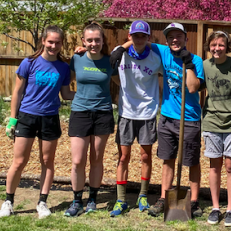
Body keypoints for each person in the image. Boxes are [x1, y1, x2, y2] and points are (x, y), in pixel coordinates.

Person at [0, 25, 75, 218]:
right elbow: (17, 92)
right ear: (43, 41)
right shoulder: (29, 63)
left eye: (57, 42)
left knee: (47, 161)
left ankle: (42, 202)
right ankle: (8, 201)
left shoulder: (64, 67)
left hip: (50, 118)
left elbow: (65, 94)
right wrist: (12, 120)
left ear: (61, 44)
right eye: (50, 41)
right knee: (19, 161)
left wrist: (88, 93)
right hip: (26, 116)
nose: (53, 46)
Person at [147, 22, 205, 218]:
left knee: (191, 161)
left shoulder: (196, 61)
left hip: (189, 119)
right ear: (166, 40)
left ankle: (194, 201)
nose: (175, 39)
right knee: (168, 159)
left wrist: (187, 64)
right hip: (167, 118)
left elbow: (192, 88)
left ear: (186, 39)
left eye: (178, 36)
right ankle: (165, 198)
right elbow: (139, 41)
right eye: (171, 36)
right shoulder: (163, 52)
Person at [107, 20, 163, 216]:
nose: (139, 39)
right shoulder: (119, 53)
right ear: (130, 36)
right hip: (126, 113)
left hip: (147, 112)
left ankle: (143, 195)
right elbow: (103, 61)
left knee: (145, 156)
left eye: (143, 36)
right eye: (135, 35)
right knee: (123, 156)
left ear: (148, 38)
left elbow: (169, 73)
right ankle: (121, 199)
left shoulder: (156, 58)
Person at [64, 22, 117, 217]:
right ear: (83, 41)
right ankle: (77, 200)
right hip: (80, 113)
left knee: (96, 159)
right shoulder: (76, 59)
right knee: (77, 161)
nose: (93, 43)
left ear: (103, 41)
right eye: (90, 40)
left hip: (102, 113)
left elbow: (122, 83)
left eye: (97, 40)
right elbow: (66, 83)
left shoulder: (110, 61)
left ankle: (93, 199)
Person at [201, 31, 231, 227]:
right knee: (214, 166)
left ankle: (230, 209)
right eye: (213, 45)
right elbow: (196, 84)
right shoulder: (205, 66)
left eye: (221, 45)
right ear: (209, 46)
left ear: (227, 46)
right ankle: (215, 208)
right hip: (212, 120)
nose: (217, 49)